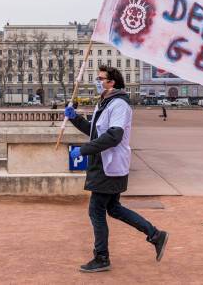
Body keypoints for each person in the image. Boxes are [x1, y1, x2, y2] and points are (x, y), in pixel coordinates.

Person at [65, 66, 169, 273]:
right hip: (103, 164)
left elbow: (114, 136)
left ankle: (102, 257)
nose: (97, 81)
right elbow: (95, 131)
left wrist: (84, 150)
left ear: (111, 82)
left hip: (109, 165)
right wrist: (75, 118)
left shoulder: (119, 104)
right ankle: (155, 235)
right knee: (113, 208)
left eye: (100, 78)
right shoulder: (104, 103)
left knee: (96, 210)